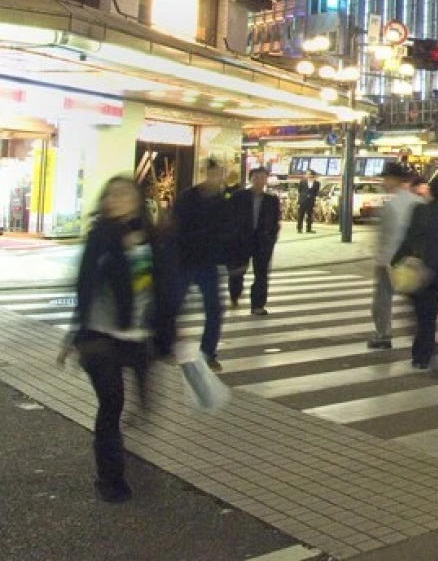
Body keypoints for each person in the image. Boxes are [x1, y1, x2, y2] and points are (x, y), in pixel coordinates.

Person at [65, 176, 179, 503]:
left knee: (146, 402)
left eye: (124, 193)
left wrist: (170, 334)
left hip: (139, 337)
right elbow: (85, 286)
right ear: (104, 201)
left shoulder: (154, 239)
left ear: (137, 199)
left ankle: (127, 431)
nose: (117, 198)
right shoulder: (100, 237)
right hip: (100, 338)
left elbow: (166, 290)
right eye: (111, 194)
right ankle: (111, 480)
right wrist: (75, 334)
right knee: (111, 404)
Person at [393, 175, 438, 369]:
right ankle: (425, 353)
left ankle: (420, 354)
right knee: (430, 314)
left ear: (430, 191)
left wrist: (396, 260)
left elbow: (409, 238)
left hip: (418, 268)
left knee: (419, 313)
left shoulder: (419, 211)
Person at [171, 159, 230, 372]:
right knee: (174, 305)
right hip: (185, 260)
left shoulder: (223, 200)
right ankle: (165, 342)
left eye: (219, 174)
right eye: (212, 173)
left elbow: (227, 231)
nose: (216, 178)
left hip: (208, 263)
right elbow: (175, 228)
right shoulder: (188, 197)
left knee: (214, 308)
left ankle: (209, 352)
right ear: (205, 173)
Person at [367, 162, 422, 351]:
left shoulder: (391, 206)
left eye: (386, 178)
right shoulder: (416, 202)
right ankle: (422, 334)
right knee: (415, 300)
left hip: (391, 261)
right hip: (414, 260)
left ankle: (383, 334)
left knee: (382, 300)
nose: (384, 182)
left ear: (394, 180)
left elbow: (385, 238)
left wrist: (380, 261)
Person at [226, 167, 281, 316]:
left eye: (263, 178)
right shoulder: (239, 196)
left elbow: (276, 222)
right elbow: (228, 217)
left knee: (261, 274)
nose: (260, 180)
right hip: (241, 241)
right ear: (251, 179)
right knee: (237, 272)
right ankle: (234, 294)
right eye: (256, 177)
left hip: (262, 243)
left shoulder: (272, 200)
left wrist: (271, 239)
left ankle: (258, 305)